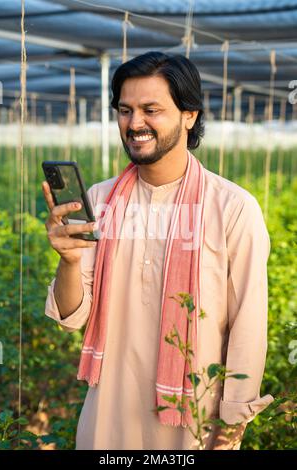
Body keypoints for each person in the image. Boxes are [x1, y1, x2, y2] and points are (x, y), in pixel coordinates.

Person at [43, 51, 274, 450]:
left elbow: (248, 323)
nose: (135, 124)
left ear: (189, 115)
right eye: (125, 110)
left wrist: (234, 421)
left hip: (195, 424)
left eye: (152, 109)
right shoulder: (99, 201)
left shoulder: (231, 208)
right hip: (108, 418)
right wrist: (69, 260)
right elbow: (70, 317)